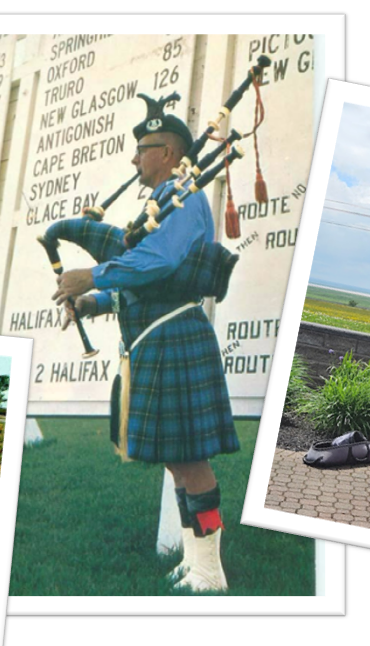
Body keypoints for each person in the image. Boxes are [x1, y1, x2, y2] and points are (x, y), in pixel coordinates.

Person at [50, 103, 238, 593]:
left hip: (176, 337)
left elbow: (159, 262)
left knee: (192, 461)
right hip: (158, 339)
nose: (134, 160)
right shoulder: (161, 202)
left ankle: (211, 571)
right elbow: (143, 282)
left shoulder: (186, 198)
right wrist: (92, 302)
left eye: (143, 150)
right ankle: (194, 558)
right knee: (178, 459)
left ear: (169, 152)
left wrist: (94, 272)